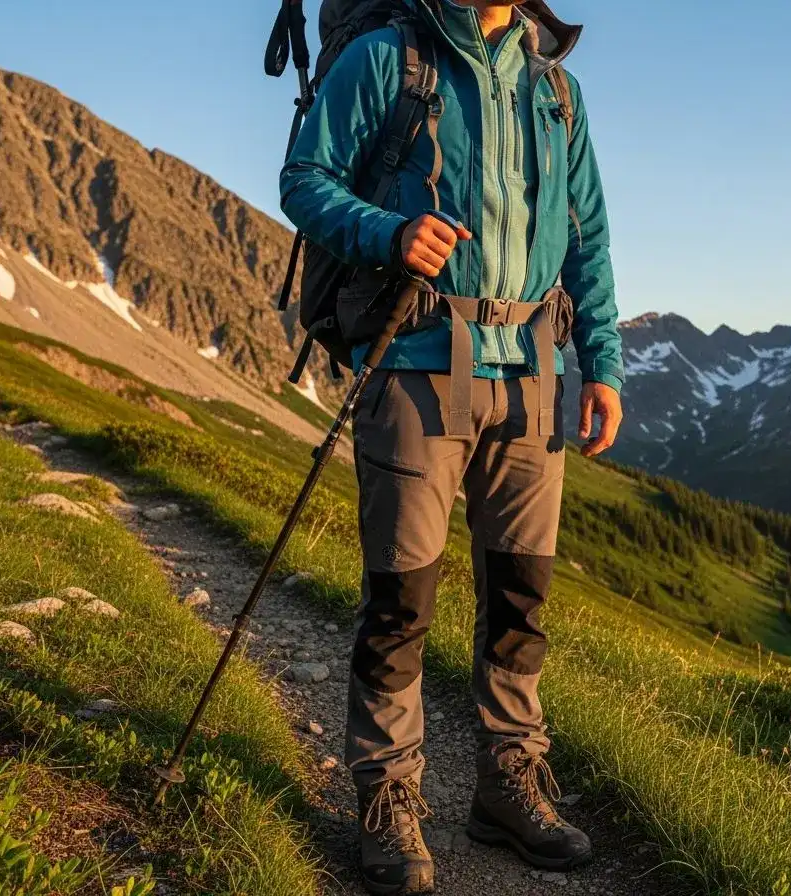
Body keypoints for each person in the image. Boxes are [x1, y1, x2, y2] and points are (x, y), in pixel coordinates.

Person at [280, 0, 624, 892]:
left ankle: (507, 784)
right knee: (401, 600)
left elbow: (587, 244)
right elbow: (305, 180)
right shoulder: (390, 62)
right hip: (415, 362)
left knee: (523, 598)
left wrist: (606, 370)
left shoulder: (558, 93)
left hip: (533, 375)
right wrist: (390, 233)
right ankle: (389, 798)